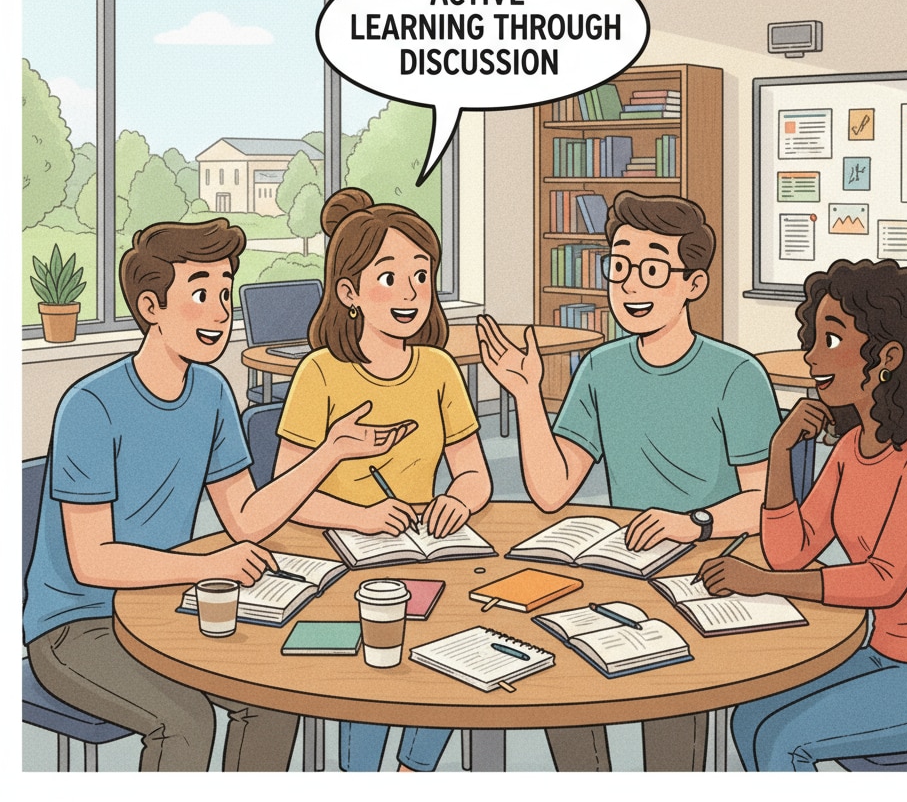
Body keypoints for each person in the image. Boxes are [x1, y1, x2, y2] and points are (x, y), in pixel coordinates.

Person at [24, 219, 416, 772]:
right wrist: (209, 564)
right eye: (202, 294)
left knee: (272, 696)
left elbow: (246, 519)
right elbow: (92, 561)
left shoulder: (210, 392)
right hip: (76, 627)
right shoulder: (91, 406)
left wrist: (330, 451)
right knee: (185, 721)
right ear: (151, 307)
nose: (220, 313)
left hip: (165, 604)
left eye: (227, 294)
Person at [477, 191, 780, 771]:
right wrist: (526, 395)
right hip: (625, 565)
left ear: (693, 283)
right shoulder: (601, 368)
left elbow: (767, 502)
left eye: (652, 269)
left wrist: (693, 523)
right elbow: (552, 489)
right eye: (618, 267)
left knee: (671, 709)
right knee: (557, 670)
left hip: (707, 566)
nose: (631, 286)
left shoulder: (737, 374)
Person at [704, 258, 907, 771]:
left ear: (887, 357)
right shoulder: (851, 447)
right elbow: (791, 551)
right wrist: (779, 452)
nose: (812, 357)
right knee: (746, 718)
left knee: (780, 741)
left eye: (831, 341)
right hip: (879, 653)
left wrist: (762, 583)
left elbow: (884, 583)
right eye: (812, 338)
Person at [275, 188, 492, 772]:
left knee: (458, 645)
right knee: (371, 663)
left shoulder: (440, 368)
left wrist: (458, 499)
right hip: (339, 557)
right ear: (348, 292)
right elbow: (286, 494)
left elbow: (474, 472)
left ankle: (412, 771)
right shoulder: (320, 373)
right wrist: (362, 517)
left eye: (421, 277)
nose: (410, 294)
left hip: (421, 549)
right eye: (389, 278)